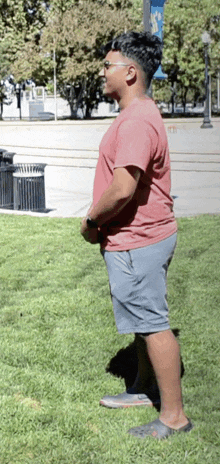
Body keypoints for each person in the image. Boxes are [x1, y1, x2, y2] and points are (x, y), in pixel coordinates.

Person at [81, 31, 193, 439]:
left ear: (130, 72)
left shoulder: (136, 121)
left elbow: (123, 188)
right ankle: (145, 387)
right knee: (145, 320)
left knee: (153, 323)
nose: (102, 70)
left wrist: (91, 222)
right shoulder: (141, 113)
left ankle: (174, 417)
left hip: (138, 238)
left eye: (108, 64)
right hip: (146, 235)